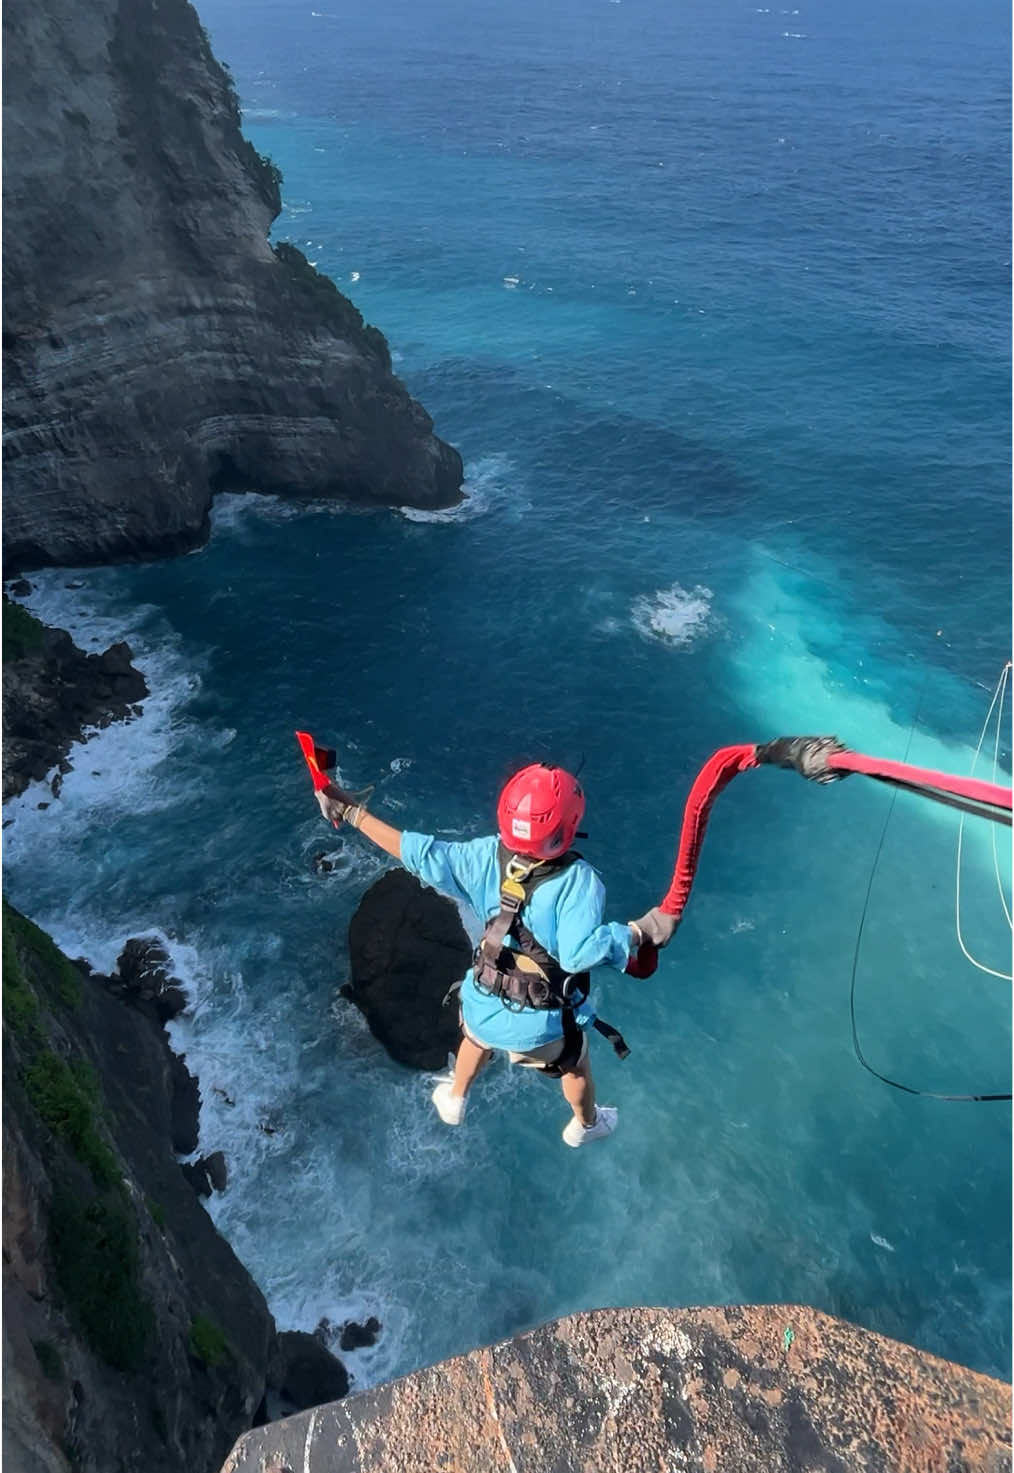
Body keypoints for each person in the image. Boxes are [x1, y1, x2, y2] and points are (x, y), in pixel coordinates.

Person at [315, 763, 677, 1147]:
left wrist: (351, 811)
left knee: (474, 1036)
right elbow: (577, 955)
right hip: (539, 1026)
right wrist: (637, 932)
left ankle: (455, 1098)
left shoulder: (485, 855)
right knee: (575, 1062)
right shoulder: (578, 881)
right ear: (567, 826)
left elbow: (416, 851)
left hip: (482, 1002)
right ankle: (586, 1125)